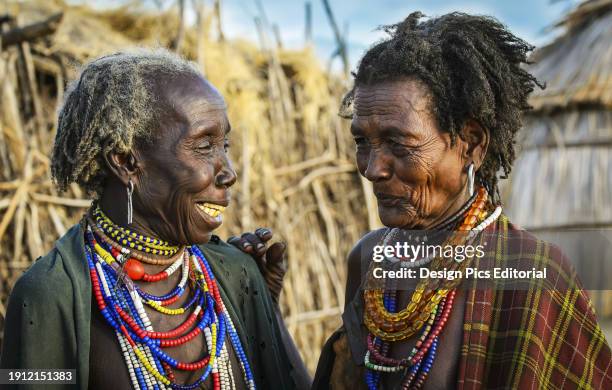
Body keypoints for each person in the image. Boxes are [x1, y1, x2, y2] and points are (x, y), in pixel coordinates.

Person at [310, 12, 612, 389]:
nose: (372, 169)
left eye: (397, 144)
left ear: (471, 142)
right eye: (362, 142)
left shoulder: (534, 274)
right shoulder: (369, 260)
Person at [0, 49, 309, 389]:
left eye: (226, 146)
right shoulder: (49, 294)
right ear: (126, 162)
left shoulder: (235, 274)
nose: (229, 174)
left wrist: (268, 310)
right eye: (205, 146)